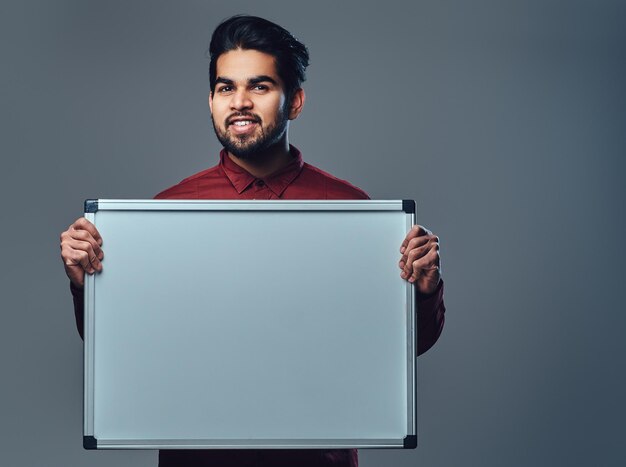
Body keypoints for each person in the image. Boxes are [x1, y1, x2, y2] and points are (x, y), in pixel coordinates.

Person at [59, 15, 445, 467]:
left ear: (295, 101)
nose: (239, 102)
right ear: (210, 99)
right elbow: (126, 346)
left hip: (318, 458)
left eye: (260, 87)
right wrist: (86, 284)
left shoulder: (355, 212)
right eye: (226, 88)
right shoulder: (165, 213)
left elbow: (402, 347)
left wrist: (424, 290)